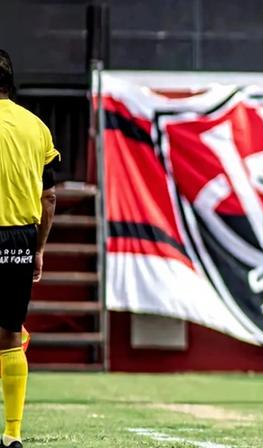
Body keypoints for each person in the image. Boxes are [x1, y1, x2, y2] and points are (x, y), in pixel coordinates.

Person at [0, 50, 59, 448]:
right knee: (10, 334)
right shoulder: (36, 127)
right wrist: (38, 248)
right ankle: (13, 434)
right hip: (19, 239)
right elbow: (49, 196)